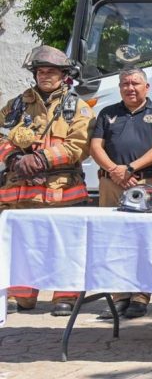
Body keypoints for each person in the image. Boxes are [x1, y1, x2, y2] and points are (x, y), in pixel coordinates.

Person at [1, 45, 94, 316]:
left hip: (60, 192)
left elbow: (80, 144)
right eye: (40, 71)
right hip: (18, 192)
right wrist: (13, 160)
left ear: (63, 75)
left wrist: (41, 159)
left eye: (51, 72)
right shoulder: (17, 104)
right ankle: (24, 296)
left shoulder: (76, 107)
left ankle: (63, 296)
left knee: (63, 246)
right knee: (21, 245)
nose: (45, 76)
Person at [89, 67, 152, 320]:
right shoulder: (107, 113)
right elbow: (95, 147)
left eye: (135, 83)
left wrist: (131, 169)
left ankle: (140, 296)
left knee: (143, 241)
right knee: (112, 240)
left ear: (147, 87)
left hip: (144, 183)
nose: (130, 88)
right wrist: (115, 171)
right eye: (125, 83)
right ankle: (119, 296)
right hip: (111, 184)